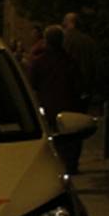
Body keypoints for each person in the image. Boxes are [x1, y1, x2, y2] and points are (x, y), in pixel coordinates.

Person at [29, 25, 84, 174]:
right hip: (68, 105)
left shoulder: (39, 62)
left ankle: (55, 165)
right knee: (70, 139)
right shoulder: (70, 62)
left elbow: (33, 84)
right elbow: (78, 84)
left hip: (48, 106)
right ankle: (70, 165)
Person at [62, 12, 98, 109]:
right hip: (86, 85)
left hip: (70, 86)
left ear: (70, 23)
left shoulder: (66, 40)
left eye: (65, 21)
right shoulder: (89, 41)